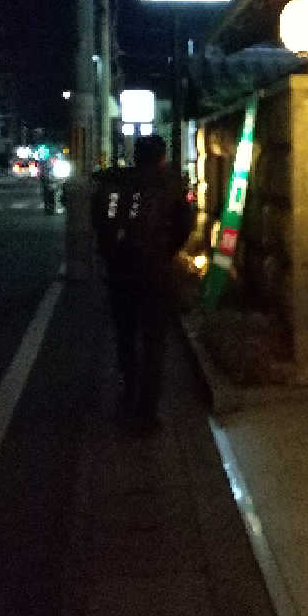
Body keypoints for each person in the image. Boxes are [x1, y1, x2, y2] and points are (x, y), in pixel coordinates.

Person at [91, 134, 194, 433]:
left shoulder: (114, 182)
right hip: (155, 272)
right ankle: (147, 412)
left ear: (135, 156)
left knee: (125, 337)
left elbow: (98, 220)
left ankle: (126, 398)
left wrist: (111, 255)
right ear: (161, 157)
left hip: (120, 271)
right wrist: (166, 252)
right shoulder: (172, 184)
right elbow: (184, 226)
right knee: (154, 341)